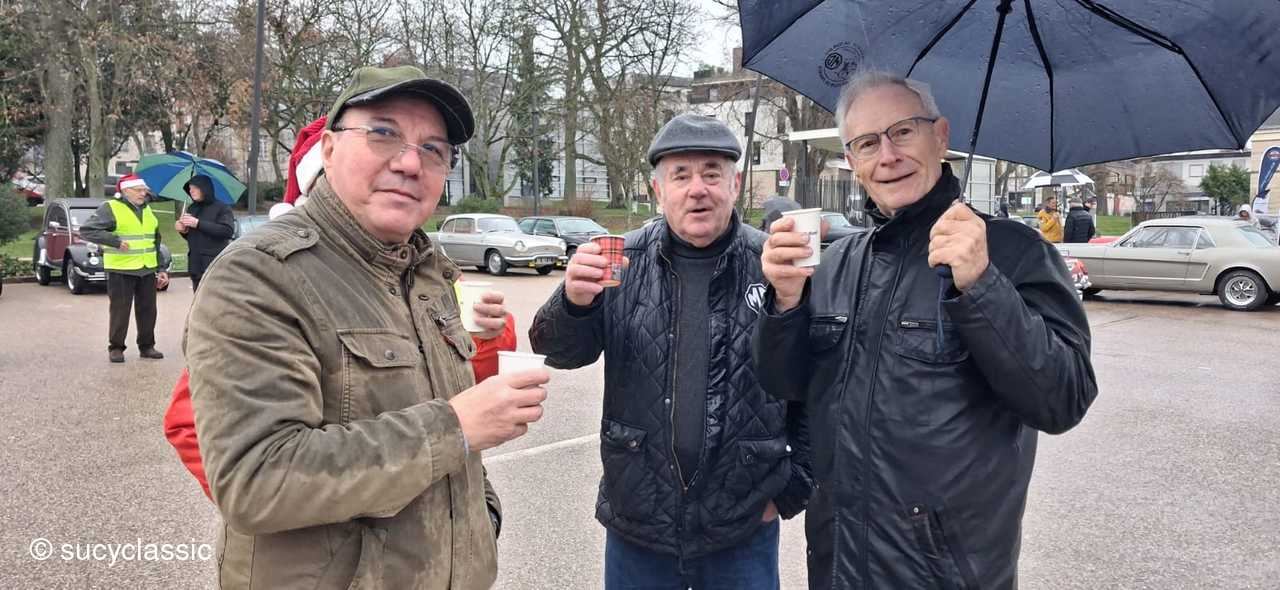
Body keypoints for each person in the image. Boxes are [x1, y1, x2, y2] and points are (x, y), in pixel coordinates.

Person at [184, 65, 548, 589]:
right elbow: (257, 480)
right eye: (383, 133)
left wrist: (481, 517)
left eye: (434, 149)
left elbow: (448, 423)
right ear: (329, 149)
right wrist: (456, 427)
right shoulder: (259, 274)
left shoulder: (428, 270)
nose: (410, 163)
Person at [754, 70, 1097, 590]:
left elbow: (1062, 400)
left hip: (946, 574)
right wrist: (784, 302)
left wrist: (982, 285)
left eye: (903, 131)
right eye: (868, 143)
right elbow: (785, 385)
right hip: (838, 566)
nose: (888, 155)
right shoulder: (838, 262)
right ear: (852, 161)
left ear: (940, 136)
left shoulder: (1014, 252)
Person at [163, 118, 518, 500]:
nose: (405, 171)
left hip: (443, 526)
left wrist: (489, 336)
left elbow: (467, 384)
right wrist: (310, 516)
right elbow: (201, 436)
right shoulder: (265, 282)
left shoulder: (427, 269)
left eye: (431, 150)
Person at [530, 113, 813, 590]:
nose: (697, 189)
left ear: (735, 185)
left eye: (712, 174)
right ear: (657, 191)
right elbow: (560, 352)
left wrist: (790, 490)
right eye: (681, 176)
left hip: (741, 527)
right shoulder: (621, 261)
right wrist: (573, 302)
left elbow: (814, 382)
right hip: (639, 524)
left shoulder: (776, 266)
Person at [81, 174, 169, 363]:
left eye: (144, 190)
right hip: (121, 268)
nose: (143, 193)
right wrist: (114, 241)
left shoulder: (147, 209)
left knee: (148, 310)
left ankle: (147, 346)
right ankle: (116, 347)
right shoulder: (111, 207)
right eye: (139, 190)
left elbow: (155, 241)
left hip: (147, 268)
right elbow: (87, 230)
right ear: (126, 191)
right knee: (120, 310)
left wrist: (161, 268)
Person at [175, 174, 235, 291]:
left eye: (195, 188)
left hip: (214, 265)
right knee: (198, 299)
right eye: (190, 188)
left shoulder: (222, 208)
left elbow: (227, 231)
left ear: (205, 188)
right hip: (195, 265)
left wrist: (198, 223)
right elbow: (193, 237)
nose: (191, 191)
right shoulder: (192, 208)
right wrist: (183, 230)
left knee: (215, 299)